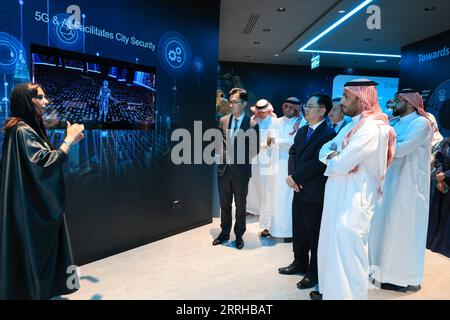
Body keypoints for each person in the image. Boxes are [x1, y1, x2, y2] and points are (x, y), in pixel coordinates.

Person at [311, 79, 396, 300]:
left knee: (349, 255)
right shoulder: (351, 126)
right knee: (332, 249)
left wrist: (335, 157)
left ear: (361, 99)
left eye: (346, 97)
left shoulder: (374, 128)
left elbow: (341, 163)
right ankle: (331, 294)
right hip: (337, 197)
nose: (342, 103)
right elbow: (325, 150)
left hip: (354, 202)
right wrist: (334, 156)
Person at [0, 83, 85, 299]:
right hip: (31, 210)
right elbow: (45, 163)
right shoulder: (21, 131)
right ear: (26, 101)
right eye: (39, 97)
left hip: (27, 206)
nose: (45, 101)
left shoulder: (20, 130)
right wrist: (69, 141)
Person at [369, 89, 433, 292]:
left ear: (411, 103)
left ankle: (399, 278)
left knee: (401, 232)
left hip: (408, 188)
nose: (393, 103)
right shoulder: (395, 123)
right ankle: (381, 273)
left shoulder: (421, 123)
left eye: (398, 100)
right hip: (389, 184)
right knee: (385, 229)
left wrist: (380, 142)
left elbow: (403, 149)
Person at [279, 93, 335, 290]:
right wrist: (292, 176)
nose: (306, 109)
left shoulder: (328, 134)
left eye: (311, 106)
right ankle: (299, 262)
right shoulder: (303, 131)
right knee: (299, 229)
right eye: (307, 105)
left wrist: (296, 177)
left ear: (322, 111)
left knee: (314, 234)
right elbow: (293, 152)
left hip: (315, 191)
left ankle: (314, 272)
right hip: (298, 188)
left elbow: (319, 162)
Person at [213, 88, 259, 250]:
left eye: (235, 102)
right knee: (224, 204)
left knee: (240, 205)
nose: (231, 104)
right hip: (224, 170)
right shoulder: (223, 120)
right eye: (231, 101)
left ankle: (239, 235)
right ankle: (224, 233)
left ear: (244, 104)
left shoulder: (252, 124)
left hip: (241, 172)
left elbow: (254, 149)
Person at [266, 97, 306, 242]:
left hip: (291, 167)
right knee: (274, 199)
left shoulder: (302, 123)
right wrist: (280, 143)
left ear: (298, 108)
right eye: (285, 106)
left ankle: (289, 232)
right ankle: (274, 229)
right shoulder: (275, 122)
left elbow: (295, 145)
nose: (287, 109)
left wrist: (277, 142)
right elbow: (268, 142)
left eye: (291, 107)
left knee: (288, 200)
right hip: (275, 166)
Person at [246, 99, 277, 237]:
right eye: (260, 112)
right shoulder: (254, 119)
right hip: (254, 156)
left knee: (265, 186)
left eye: (264, 112)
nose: (262, 114)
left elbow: (274, 139)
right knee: (253, 183)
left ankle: (265, 214)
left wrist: (263, 145)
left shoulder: (274, 120)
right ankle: (253, 208)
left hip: (267, 156)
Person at [427, 137, 450, 257]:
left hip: (445, 179)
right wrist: (440, 178)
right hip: (442, 184)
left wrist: (445, 175)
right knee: (437, 213)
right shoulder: (446, 141)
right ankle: (433, 243)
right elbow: (438, 159)